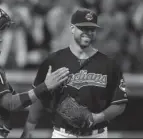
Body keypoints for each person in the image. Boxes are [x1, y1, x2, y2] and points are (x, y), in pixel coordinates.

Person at [0, 4, 69, 138]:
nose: (0, 39)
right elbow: (10, 103)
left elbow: (19, 102)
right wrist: (44, 86)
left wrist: (45, 89)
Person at [21, 8, 128, 138]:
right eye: (83, 28)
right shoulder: (54, 61)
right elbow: (38, 99)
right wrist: (27, 132)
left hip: (96, 135)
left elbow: (119, 103)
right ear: (72, 29)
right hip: (63, 134)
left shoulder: (109, 64)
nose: (87, 32)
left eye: (91, 29)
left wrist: (96, 118)